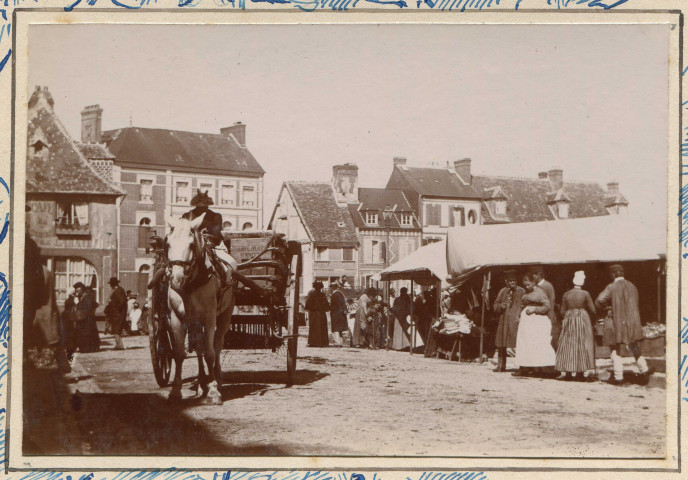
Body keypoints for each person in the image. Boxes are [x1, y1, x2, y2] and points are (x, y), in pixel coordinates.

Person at [595, 264, 654, 385]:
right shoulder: (633, 286)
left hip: (616, 323)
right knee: (634, 347)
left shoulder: (611, 287)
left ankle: (618, 377)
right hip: (632, 323)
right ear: (622, 274)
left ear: (612, 275)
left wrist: (607, 308)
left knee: (615, 349)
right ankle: (644, 369)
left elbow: (600, 300)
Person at [182, 189, 238, 283]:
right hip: (189, 247)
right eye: (200, 206)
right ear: (196, 205)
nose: (203, 208)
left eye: (205, 206)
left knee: (231, 262)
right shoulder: (187, 216)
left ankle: (228, 284)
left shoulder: (215, 216)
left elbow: (216, 234)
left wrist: (205, 234)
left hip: (213, 247)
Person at [513, 273, 557, 378]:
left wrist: (535, 309)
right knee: (524, 343)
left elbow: (547, 306)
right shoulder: (525, 293)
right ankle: (524, 367)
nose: (526, 287)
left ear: (533, 283)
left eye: (528, 285)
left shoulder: (540, 293)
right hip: (526, 322)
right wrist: (518, 315)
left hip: (537, 322)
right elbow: (522, 304)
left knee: (537, 344)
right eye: (525, 285)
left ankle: (542, 369)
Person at [556, 271, 596, 381]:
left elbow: (562, 311)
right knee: (582, 343)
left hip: (569, 318)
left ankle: (568, 371)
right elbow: (593, 309)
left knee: (568, 344)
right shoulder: (585, 294)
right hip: (582, 318)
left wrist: (570, 316)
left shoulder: (566, 294)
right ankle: (582, 372)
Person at [492, 270, 524, 373]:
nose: (512, 283)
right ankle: (501, 365)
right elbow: (495, 305)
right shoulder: (503, 292)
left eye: (514, 280)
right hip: (504, 321)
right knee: (501, 343)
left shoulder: (521, 291)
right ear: (506, 282)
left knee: (518, 343)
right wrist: (501, 306)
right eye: (510, 281)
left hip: (516, 321)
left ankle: (522, 367)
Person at [529, 266, 558, 348]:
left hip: (547, 317)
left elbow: (551, 302)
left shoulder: (547, 286)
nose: (532, 278)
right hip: (538, 316)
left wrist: (550, 318)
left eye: (533, 275)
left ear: (538, 275)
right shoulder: (535, 286)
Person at [105, 277, 128, 350]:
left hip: (117, 314)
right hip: (118, 313)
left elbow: (122, 302)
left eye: (111, 284)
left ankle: (119, 345)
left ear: (113, 284)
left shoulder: (117, 291)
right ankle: (118, 344)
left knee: (116, 329)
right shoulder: (120, 290)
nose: (110, 286)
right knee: (116, 329)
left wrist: (115, 308)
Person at [305, 281, 330, 347]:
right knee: (322, 328)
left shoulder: (311, 294)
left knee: (313, 327)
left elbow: (307, 305)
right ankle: (323, 343)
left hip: (313, 314)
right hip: (321, 313)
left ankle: (313, 342)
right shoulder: (322, 295)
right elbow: (327, 306)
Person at [329, 281, 349, 346]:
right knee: (340, 328)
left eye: (331, 287)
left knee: (335, 328)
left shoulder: (334, 295)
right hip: (341, 313)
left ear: (332, 288)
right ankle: (341, 341)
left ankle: (338, 342)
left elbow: (334, 305)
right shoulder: (340, 294)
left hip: (336, 313)